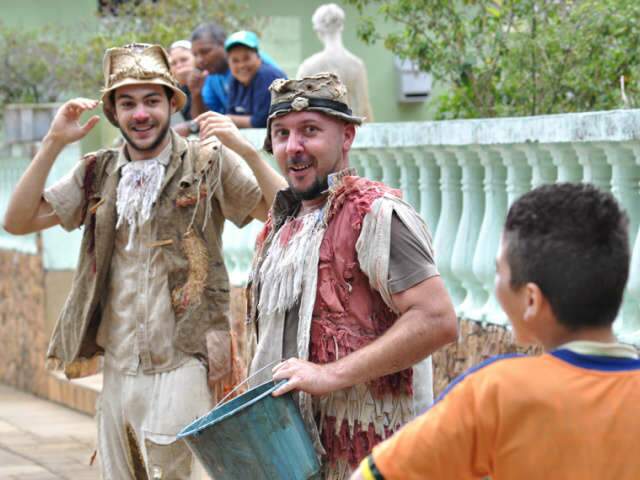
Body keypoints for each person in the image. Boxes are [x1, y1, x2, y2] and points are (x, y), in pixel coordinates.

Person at [2, 43, 285, 479]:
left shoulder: (206, 161)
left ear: (172, 103)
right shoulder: (97, 171)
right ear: (113, 111)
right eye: (128, 102)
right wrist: (54, 141)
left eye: (152, 100)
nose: (141, 114)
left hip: (186, 361)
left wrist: (246, 151)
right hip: (118, 367)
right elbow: (17, 220)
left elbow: (282, 211)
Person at [198, 72, 458, 479]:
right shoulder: (280, 224)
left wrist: (328, 374)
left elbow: (437, 320)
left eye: (310, 131)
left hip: (372, 457)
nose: (293, 147)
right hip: (292, 455)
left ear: (347, 137)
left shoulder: (376, 215)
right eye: (281, 134)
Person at [351, 183, 640, 480]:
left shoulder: (497, 394)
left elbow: (373, 476)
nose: (496, 283)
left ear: (531, 300)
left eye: (499, 271)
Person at [190, 22, 282, 120]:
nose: (199, 60)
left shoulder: (262, 70)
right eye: (195, 55)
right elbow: (205, 119)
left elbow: (263, 119)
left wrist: (226, 119)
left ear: (222, 45)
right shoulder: (212, 75)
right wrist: (196, 94)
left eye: (205, 52)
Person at [297, 3, 374, 121]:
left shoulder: (308, 66)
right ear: (341, 26)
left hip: (318, 133)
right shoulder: (357, 65)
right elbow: (364, 110)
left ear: (318, 30)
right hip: (350, 132)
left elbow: (299, 107)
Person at [225, 31, 287, 128]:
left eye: (246, 58)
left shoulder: (268, 75)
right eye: (235, 60)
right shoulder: (234, 79)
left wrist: (227, 119)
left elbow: (261, 122)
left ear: (258, 57)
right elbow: (230, 114)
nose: (241, 65)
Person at [168, 39, 196, 122]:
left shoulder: (209, 82)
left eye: (184, 60)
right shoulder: (173, 92)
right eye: (174, 63)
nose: (179, 66)